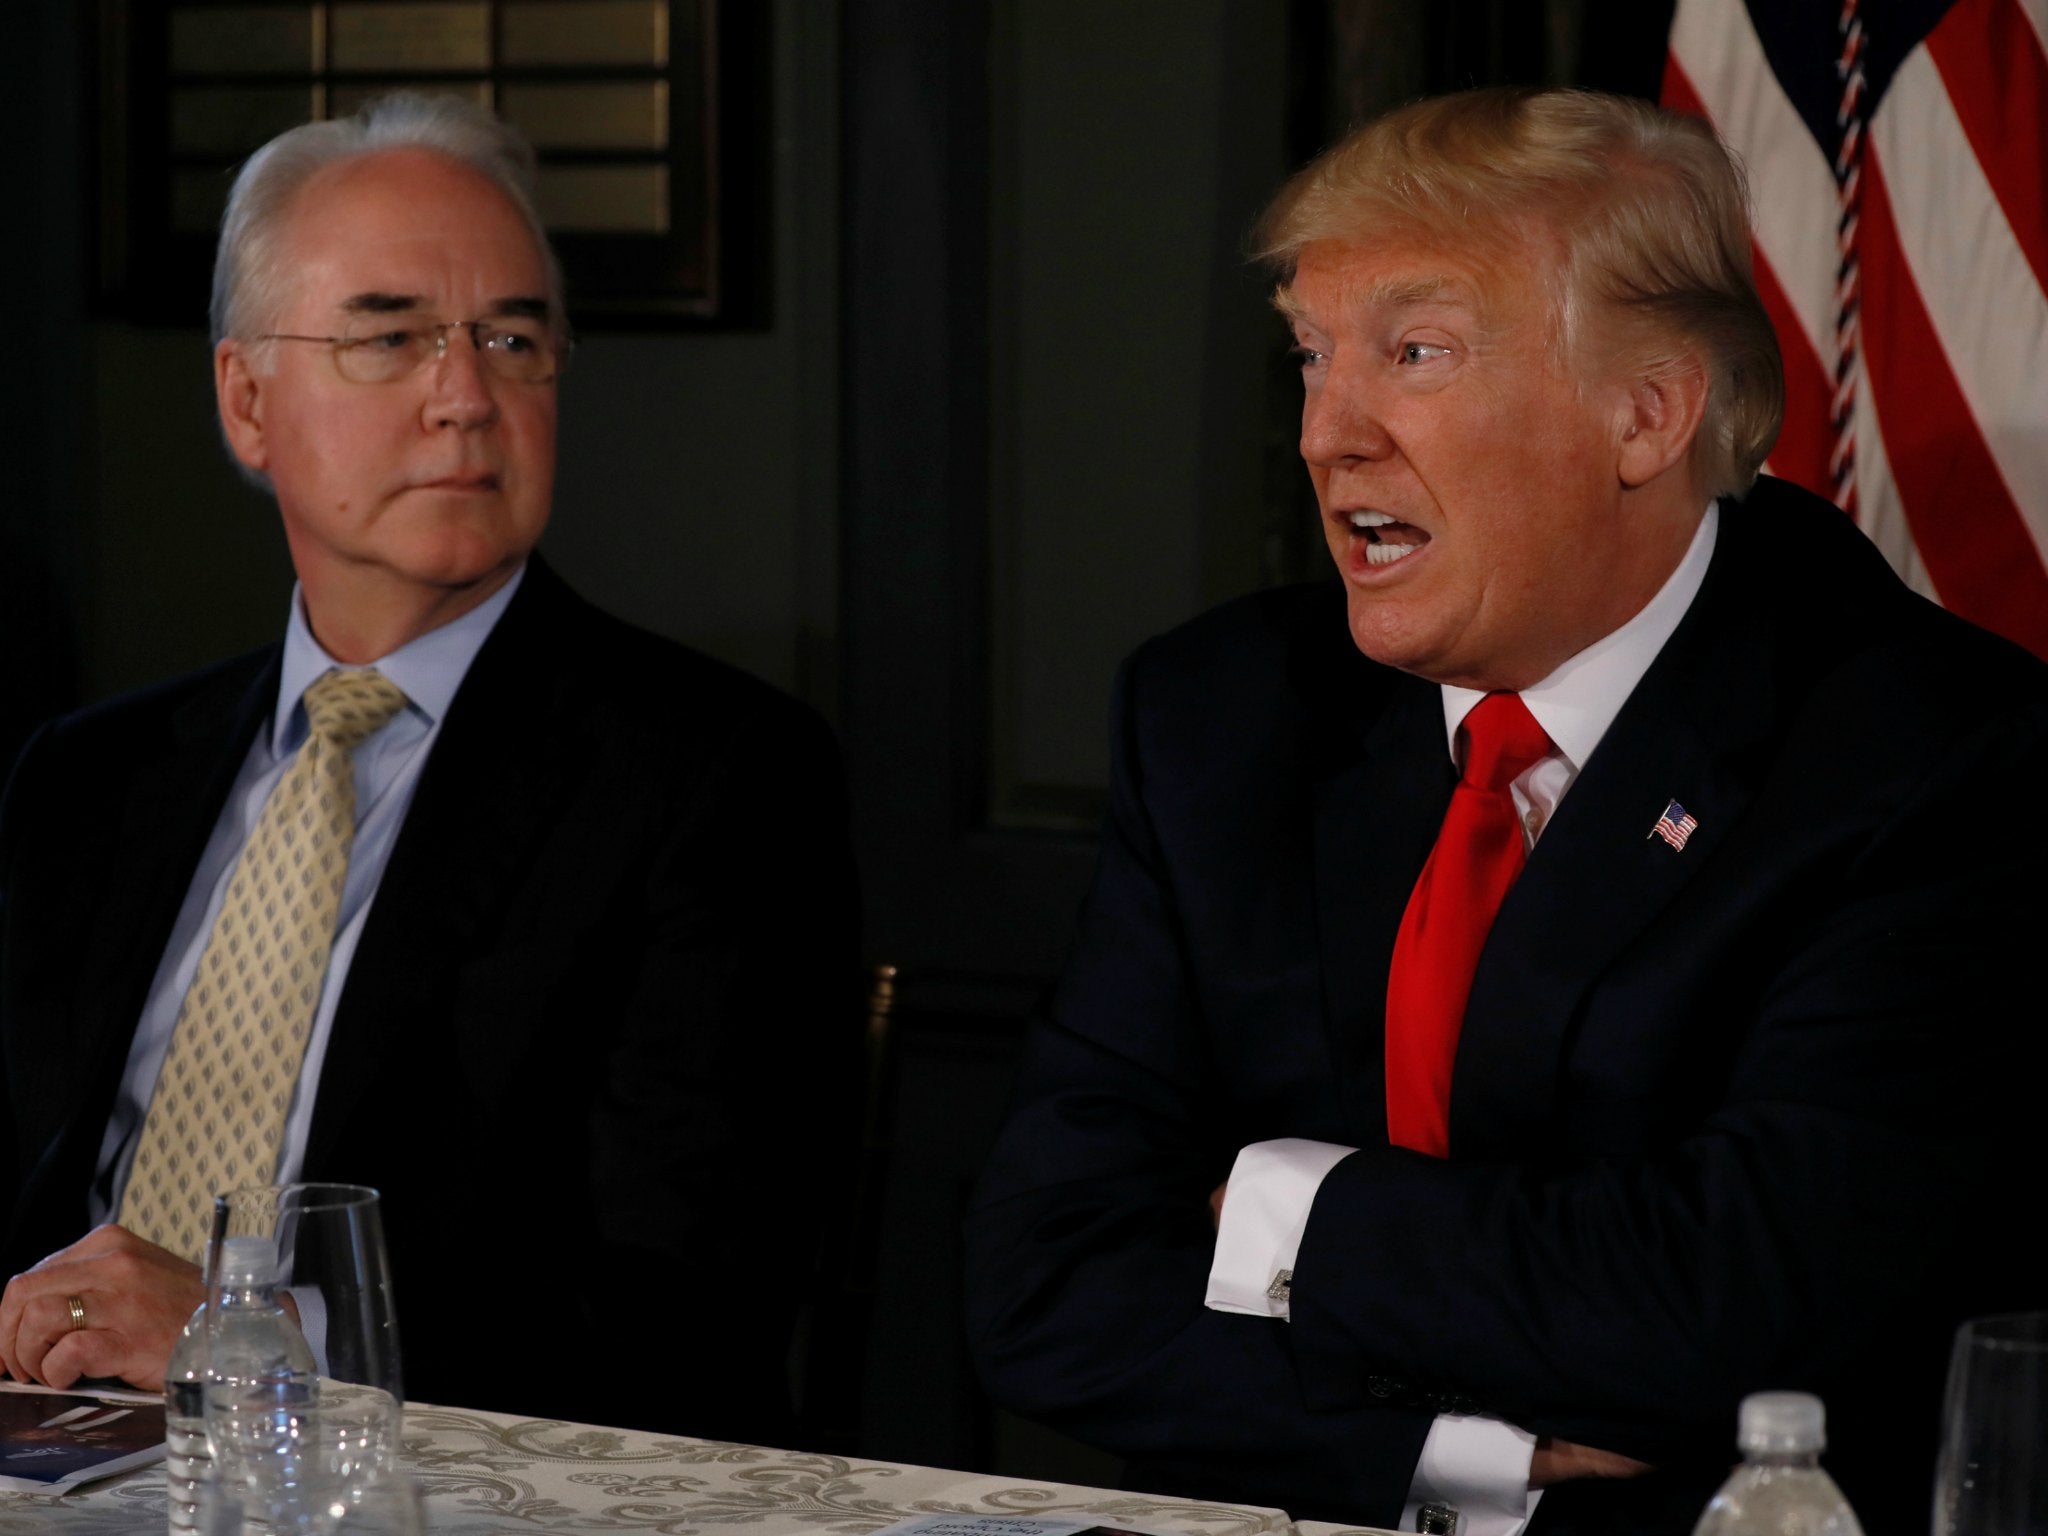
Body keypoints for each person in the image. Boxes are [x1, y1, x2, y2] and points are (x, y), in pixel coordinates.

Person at [964, 86, 2047, 1536]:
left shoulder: (1935, 753)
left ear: (1646, 414)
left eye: (1414, 352)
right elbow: (1042, 1282)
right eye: (1310, 357)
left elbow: (1729, 1315)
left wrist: (1281, 1214)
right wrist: (1479, 1446)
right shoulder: (1220, 712)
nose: (1327, 437)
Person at [0, 92, 860, 1445]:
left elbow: (685, 1315)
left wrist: (241, 1339)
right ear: (245, 401)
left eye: (512, 339)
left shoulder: (714, 778)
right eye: (390, 338)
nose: (466, 398)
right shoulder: (89, 777)